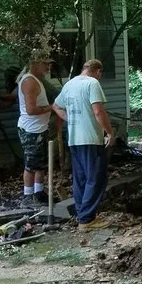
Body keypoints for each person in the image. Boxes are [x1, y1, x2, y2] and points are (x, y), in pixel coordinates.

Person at [0, 50, 55, 206]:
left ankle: (39, 192)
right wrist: (52, 107)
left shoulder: (36, 79)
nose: (48, 67)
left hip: (39, 128)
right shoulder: (29, 82)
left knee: (40, 163)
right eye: (46, 64)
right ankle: (28, 196)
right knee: (31, 165)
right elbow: (31, 110)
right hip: (31, 130)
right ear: (35, 64)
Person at [51, 59, 115, 231]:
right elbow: (98, 111)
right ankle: (86, 220)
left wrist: (71, 119)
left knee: (81, 179)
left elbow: (56, 106)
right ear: (98, 71)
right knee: (96, 178)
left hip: (74, 139)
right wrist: (109, 132)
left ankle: (82, 215)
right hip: (90, 139)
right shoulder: (92, 83)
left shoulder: (69, 84)